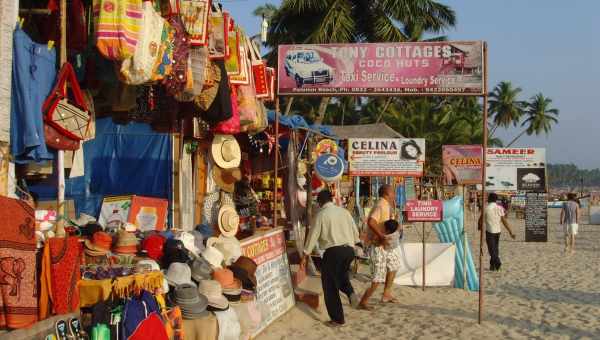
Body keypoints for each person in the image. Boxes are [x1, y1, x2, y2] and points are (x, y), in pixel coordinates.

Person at [300, 190, 360, 327]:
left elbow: (312, 237)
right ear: (331, 199)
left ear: (320, 202)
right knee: (341, 275)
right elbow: (355, 233)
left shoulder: (321, 215)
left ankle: (337, 319)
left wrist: (305, 256)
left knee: (330, 286)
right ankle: (350, 293)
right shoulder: (344, 212)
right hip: (349, 250)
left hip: (333, 252)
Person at [358, 184, 401, 310]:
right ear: (387, 194)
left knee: (394, 264)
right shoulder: (381, 205)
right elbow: (371, 221)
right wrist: (381, 236)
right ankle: (363, 301)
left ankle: (386, 294)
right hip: (377, 245)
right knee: (378, 277)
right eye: (393, 192)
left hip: (384, 244)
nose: (395, 194)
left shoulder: (387, 205)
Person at [479, 192, 515, 271]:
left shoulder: (486, 208)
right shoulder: (500, 208)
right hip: (498, 231)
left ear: (489, 199)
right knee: (495, 248)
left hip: (490, 232)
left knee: (492, 250)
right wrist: (510, 232)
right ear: (495, 200)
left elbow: (480, 220)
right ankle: (492, 266)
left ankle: (497, 262)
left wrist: (479, 227)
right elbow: (504, 221)